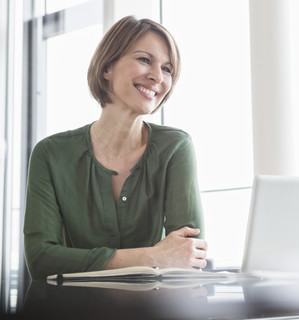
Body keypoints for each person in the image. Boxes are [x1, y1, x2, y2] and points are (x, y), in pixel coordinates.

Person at [23, 16, 207, 280]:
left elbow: (189, 254)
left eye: (167, 69)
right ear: (107, 67)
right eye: (145, 59)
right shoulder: (50, 154)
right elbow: (41, 259)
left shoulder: (175, 147)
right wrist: (153, 257)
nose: (157, 76)